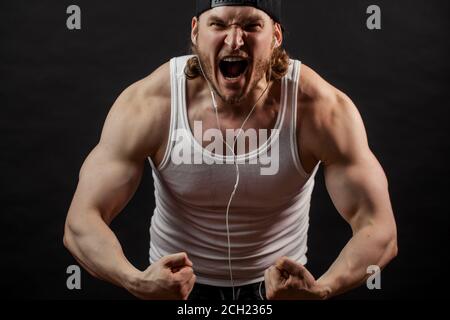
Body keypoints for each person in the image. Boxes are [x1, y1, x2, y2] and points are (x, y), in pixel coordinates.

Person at [63, 0, 397, 300]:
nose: (235, 41)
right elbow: (81, 221)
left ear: (276, 36)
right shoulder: (152, 103)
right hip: (174, 289)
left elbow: (378, 228)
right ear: (196, 32)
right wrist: (135, 281)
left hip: (279, 292)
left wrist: (322, 290)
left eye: (252, 26)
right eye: (219, 25)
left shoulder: (319, 108)